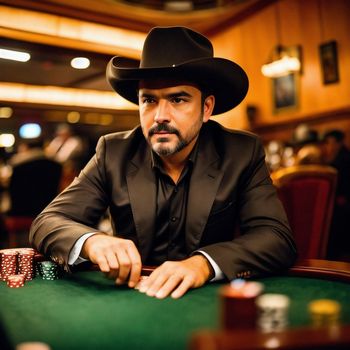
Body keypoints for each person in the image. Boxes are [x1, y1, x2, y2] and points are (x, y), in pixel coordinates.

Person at [30, 26, 296, 299]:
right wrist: (92, 241)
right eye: (149, 100)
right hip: (130, 298)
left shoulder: (241, 151)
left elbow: (276, 238)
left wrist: (203, 264)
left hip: (209, 301)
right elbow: (48, 221)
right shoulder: (113, 151)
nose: (160, 116)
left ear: (206, 108)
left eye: (178, 99)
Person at [321, 129, 350, 260]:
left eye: (329, 143)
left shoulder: (342, 160)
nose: (327, 147)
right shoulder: (340, 157)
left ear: (338, 143)